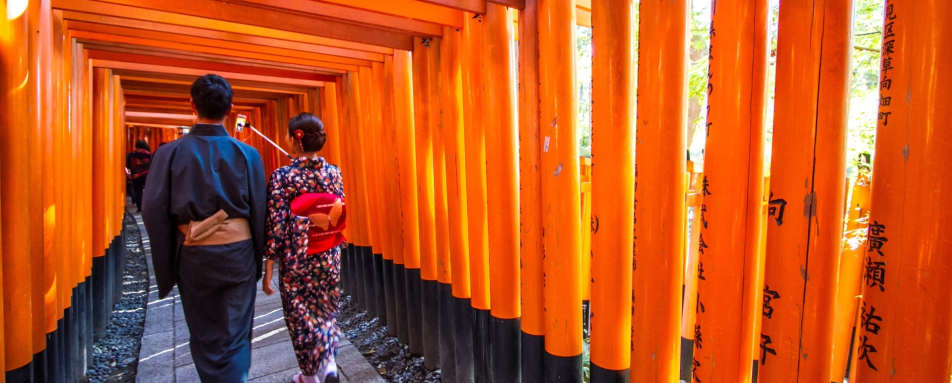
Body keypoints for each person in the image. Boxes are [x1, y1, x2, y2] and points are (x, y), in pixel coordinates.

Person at [142, 74, 267, 382]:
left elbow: (153, 208)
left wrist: (169, 255)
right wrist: (259, 257)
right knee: (236, 332)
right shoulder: (247, 154)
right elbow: (260, 208)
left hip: (194, 255)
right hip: (238, 255)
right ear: (231, 108)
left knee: (204, 333)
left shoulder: (169, 153)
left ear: (192, 105)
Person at [263, 112, 346, 383]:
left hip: (297, 256)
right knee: (325, 309)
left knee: (299, 315)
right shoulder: (334, 172)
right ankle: (330, 362)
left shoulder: (282, 177)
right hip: (329, 253)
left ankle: (309, 377)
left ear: (295, 140)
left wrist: (268, 268)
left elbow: (276, 224)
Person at [126, 140, 152, 212]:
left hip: (135, 176)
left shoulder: (131, 155)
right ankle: (148, 206)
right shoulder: (149, 154)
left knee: (138, 192)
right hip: (147, 175)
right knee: (149, 191)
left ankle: (140, 207)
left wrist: (129, 174)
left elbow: (127, 166)